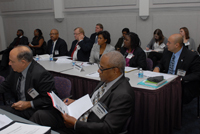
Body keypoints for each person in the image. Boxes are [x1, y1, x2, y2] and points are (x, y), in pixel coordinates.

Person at [30, 51, 135, 134]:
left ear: (115, 70)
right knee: (40, 115)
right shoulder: (106, 80)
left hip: (87, 128)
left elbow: (109, 128)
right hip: (79, 116)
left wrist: (76, 124)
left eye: (101, 68)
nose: (98, 71)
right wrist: (75, 102)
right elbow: (93, 101)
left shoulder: (123, 95)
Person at [0, 45, 57, 119]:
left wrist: (29, 104)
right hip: (18, 105)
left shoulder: (41, 75)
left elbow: (49, 99)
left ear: (23, 62)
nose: (9, 64)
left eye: (12, 61)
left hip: (35, 110)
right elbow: (5, 85)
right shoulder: (15, 69)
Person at [153, 34, 200, 104]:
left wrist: (180, 79)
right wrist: (157, 67)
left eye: (169, 42)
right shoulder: (167, 52)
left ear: (176, 45)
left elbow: (197, 74)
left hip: (182, 84)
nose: (167, 44)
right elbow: (161, 63)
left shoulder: (191, 56)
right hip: (166, 81)